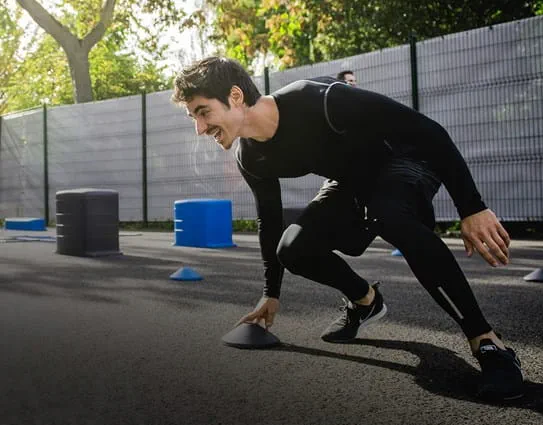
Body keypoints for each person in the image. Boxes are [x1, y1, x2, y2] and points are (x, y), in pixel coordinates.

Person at [172, 57, 524, 401]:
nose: (200, 129)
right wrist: (271, 293)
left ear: (235, 97)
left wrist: (472, 207)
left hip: (406, 160)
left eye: (203, 113)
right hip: (352, 180)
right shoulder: (251, 158)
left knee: (391, 215)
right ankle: (366, 301)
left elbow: (428, 131)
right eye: (194, 118)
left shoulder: (322, 100)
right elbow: (269, 220)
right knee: (292, 248)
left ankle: (488, 343)